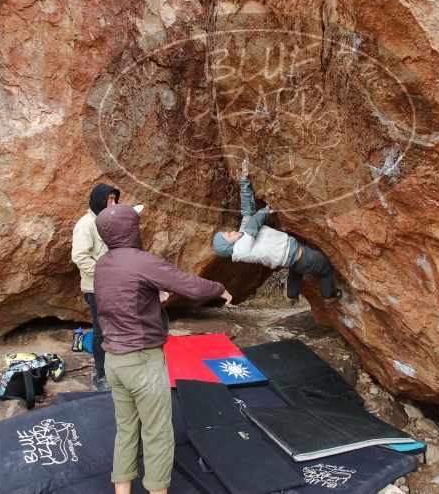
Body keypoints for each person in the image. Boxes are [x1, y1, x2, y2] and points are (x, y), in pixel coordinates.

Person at [94, 204, 232, 494]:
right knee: (157, 433)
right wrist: (219, 287)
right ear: (131, 230)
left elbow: (125, 302)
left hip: (114, 361)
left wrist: (154, 296)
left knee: (126, 430)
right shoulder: (141, 261)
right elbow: (192, 286)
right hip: (142, 361)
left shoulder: (104, 264)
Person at [211, 158, 341, 305]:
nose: (232, 232)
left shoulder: (242, 236)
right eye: (229, 235)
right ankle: (328, 296)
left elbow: (247, 210)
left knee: (296, 269)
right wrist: (265, 211)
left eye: (229, 232)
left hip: (288, 257)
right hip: (297, 255)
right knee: (325, 268)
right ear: (229, 246)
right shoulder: (241, 250)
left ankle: (292, 296)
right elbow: (253, 225)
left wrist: (244, 178)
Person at [71, 182, 127, 391]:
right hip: (96, 288)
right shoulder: (86, 224)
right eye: (108, 199)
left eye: (114, 199)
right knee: (101, 332)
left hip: (114, 285)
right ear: (98, 201)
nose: (112, 204)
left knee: (118, 328)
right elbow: (79, 256)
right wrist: (106, 272)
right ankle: (102, 376)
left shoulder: (108, 221)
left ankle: (117, 370)